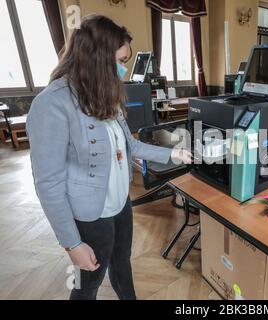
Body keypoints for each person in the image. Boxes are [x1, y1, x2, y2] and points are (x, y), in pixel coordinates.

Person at [26, 15, 191, 300]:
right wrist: (73, 245)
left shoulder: (105, 94)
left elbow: (131, 147)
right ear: (97, 58)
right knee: (86, 284)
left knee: (122, 265)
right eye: (120, 60)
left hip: (120, 205)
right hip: (90, 216)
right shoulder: (52, 104)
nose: (123, 69)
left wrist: (174, 153)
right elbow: (49, 185)